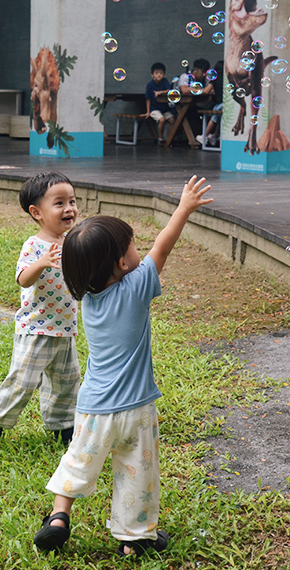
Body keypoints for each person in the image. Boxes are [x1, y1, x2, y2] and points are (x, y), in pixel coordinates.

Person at [33, 176, 213, 558]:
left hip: (92, 408)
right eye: (134, 246)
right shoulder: (136, 288)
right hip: (136, 410)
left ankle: (59, 517)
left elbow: (140, 254)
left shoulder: (87, 300)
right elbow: (163, 247)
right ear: (121, 262)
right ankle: (134, 537)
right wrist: (183, 208)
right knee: (137, 473)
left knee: (79, 460)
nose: (141, 252)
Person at [0, 172, 81, 453]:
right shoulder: (34, 245)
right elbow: (23, 279)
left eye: (72, 201)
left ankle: (62, 429)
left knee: (66, 384)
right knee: (21, 383)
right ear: (37, 212)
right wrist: (42, 262)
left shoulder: (73, 241)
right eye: (59, 203)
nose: (69, 208)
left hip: (65, 330)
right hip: (36, 329)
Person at [187, 58, 216, 148]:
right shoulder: (186, 77)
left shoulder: (206, 79)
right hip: (185, 106)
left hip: (200, 106)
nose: (204, 74)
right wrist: (204, 91)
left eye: (205, 72)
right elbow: (184, 90)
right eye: (202, 71)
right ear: (195, 69)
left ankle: (209, 137)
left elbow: (211, 91)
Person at [143, 63, 176, 144]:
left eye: (161, 73)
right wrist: (148, 112)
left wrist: (160, 92)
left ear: (164, 74)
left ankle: (168, 138)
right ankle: (160, 138)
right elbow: (148, 99)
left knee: (172, 120)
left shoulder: (165, 81)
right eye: (156, 73)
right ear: (152, 75)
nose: (159, 75)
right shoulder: (150, 85)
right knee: (162, 120)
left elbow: (169, 90)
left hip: (164, 109)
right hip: (154, 109)